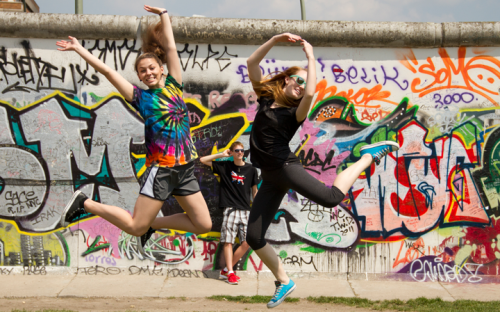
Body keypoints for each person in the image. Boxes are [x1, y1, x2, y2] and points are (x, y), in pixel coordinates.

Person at [245, 33, 400, 308]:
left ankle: (366, 158)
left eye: (305, 81)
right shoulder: (266, 99)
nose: (302, 85)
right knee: (254, 237)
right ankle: (284, 281)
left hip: (284, 168)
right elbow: (252, 61)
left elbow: (311, 93)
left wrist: (310, 57)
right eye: (299, 79)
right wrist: (277, 38)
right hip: (269, 176)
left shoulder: (296, 113)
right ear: (287, 80)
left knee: (331, 198)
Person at [56, 5, 212, 253]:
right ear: (139, 77)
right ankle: (85, 203)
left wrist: (164, 15)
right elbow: (107, 71)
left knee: (203, 224)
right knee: (135, 227)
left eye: (152, 68)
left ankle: (153, 225)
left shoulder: (175, 85)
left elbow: (171, 48)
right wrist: (79, 49)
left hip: (185, 169)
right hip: (161, 170)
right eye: (143, 71)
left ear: (161, 69)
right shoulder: (140, 97)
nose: (148, 72)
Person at [200, 142, 259, 285]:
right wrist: (222, 155)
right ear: (232, 152)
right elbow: (203, 160)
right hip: (230, 209)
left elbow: (254, 191)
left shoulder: (251, 170)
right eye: (236, 150)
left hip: (245, 210)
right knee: (228, 242)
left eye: (241, 150)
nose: (240, 153)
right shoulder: (225, 167)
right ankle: (231, 273)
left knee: (246, 242)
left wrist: (258, 209)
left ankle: (227, 269)